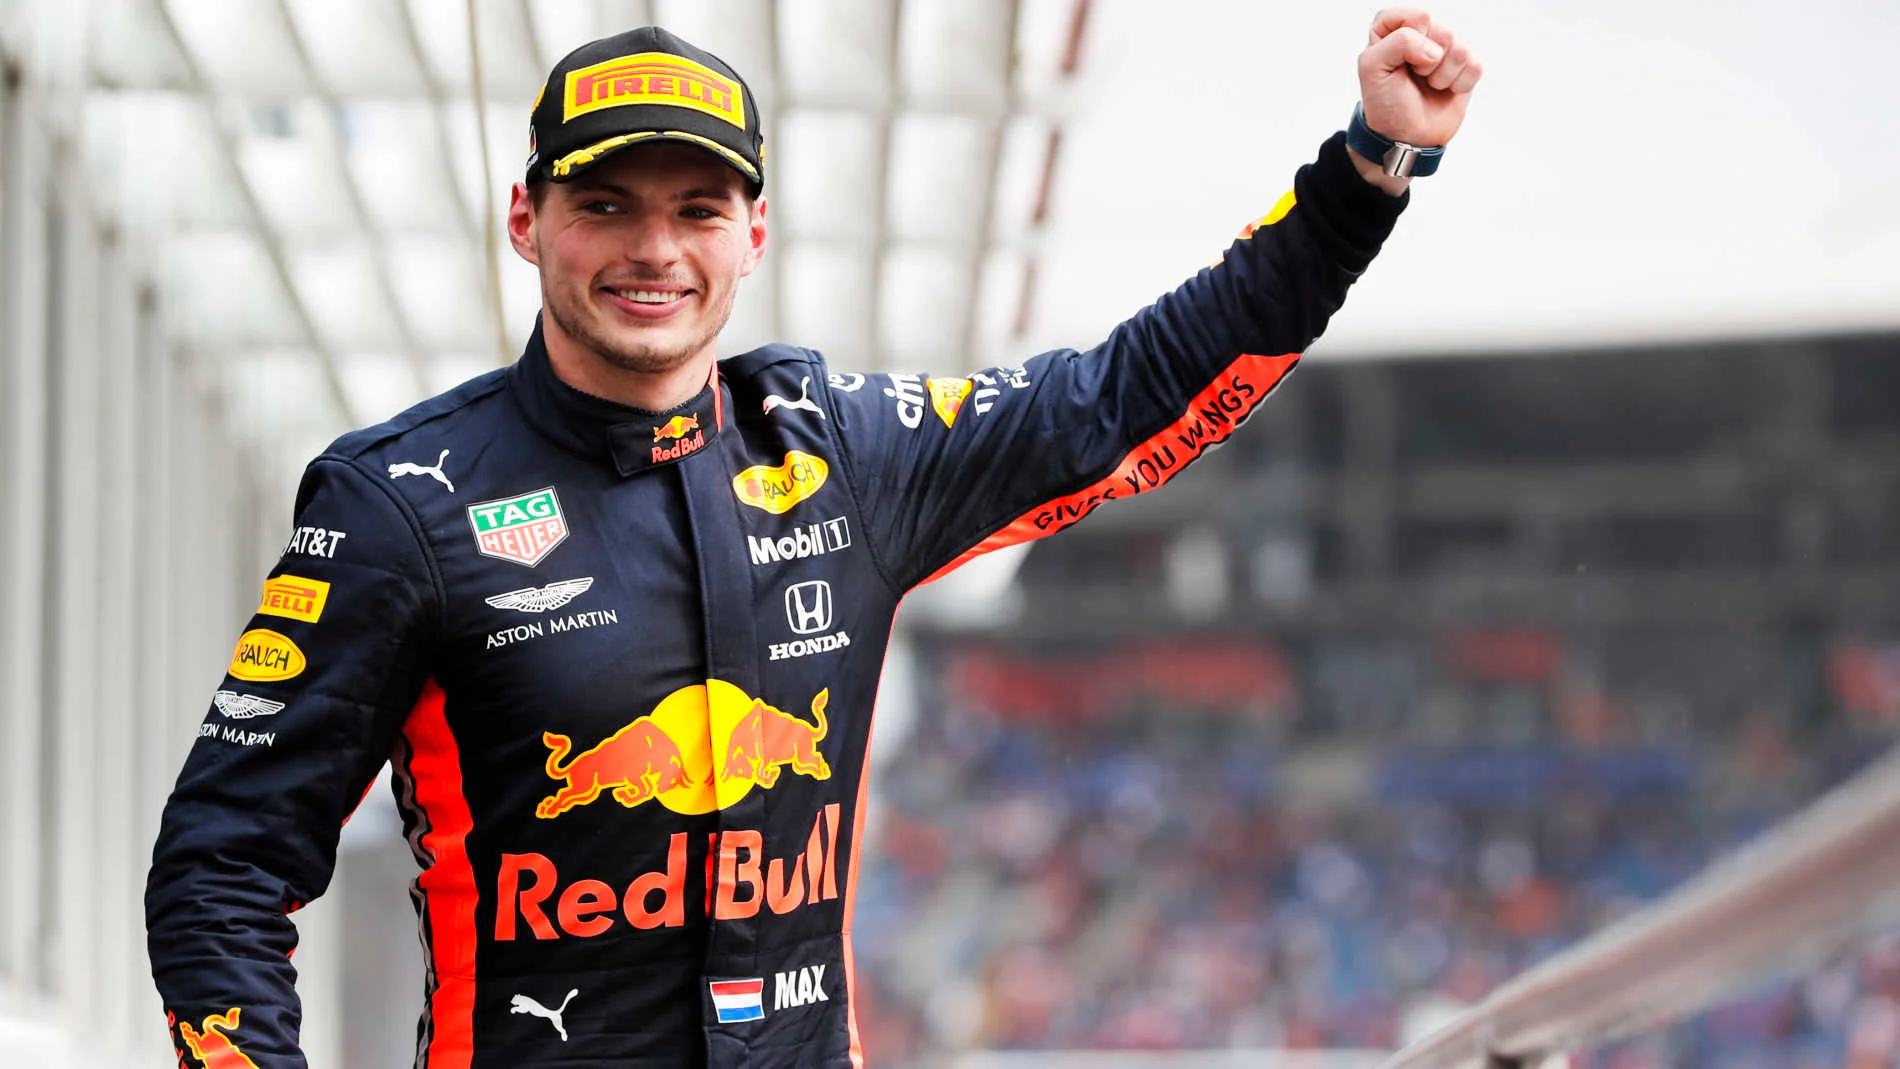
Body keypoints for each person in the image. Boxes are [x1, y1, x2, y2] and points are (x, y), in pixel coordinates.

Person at [145, 10, 1481, 1067]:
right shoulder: (397, 504)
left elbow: (1129, 399)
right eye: (605, 204)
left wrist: (1369, 171)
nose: (652, 247)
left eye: (696, 209)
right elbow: (219, 870)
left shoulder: (843, 450)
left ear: (754, 232)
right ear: (526, 220)